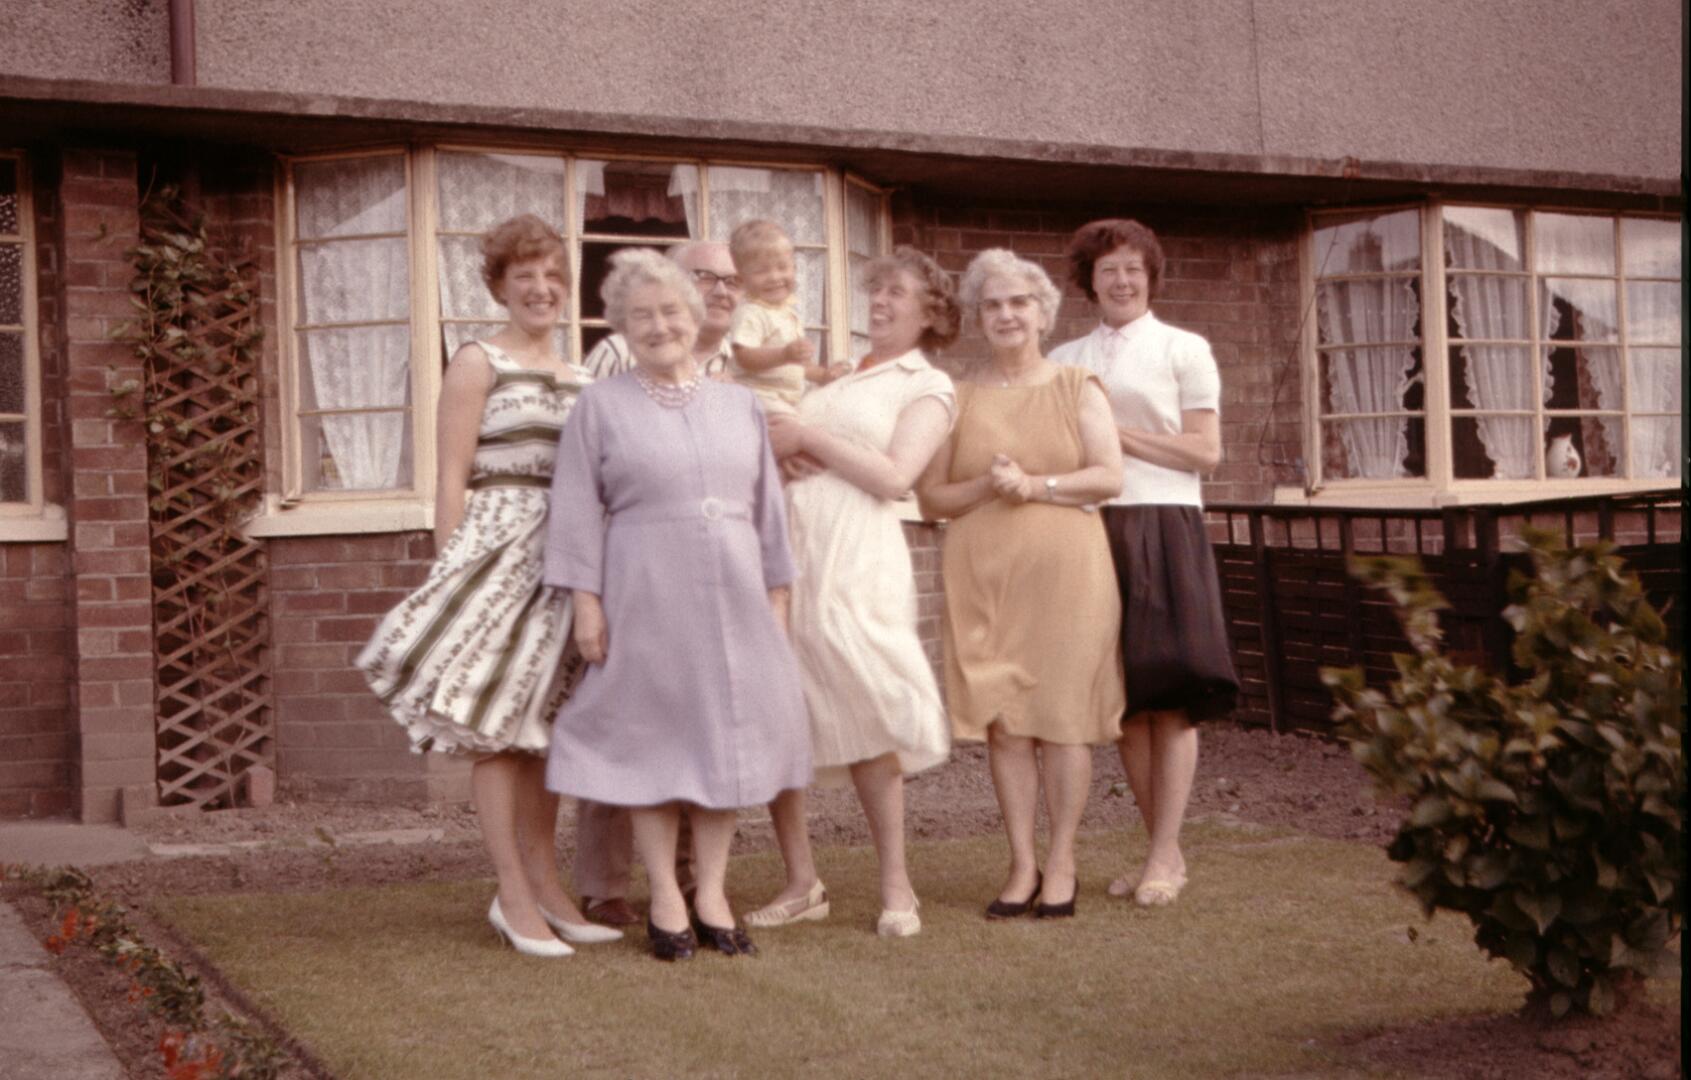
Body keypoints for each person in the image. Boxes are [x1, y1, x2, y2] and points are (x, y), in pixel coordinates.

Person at [358, 214, 620, 958]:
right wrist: (451, 574)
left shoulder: (586, 377)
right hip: (497, 555)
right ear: (500, 287)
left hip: (567, 559)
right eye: (524, 276)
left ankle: (547, 888)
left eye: (552, 275)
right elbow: (450, 478)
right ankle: (511, 893)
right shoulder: (478, 362)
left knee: (543, 730)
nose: (541, 288)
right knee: (496, 728)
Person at [543, 247, 811, 961]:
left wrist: (778, 597)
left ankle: (712, 894)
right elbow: (575, 509)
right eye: (642, 316)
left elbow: (768, 509)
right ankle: (665, 895)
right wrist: (586, 604)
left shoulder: (739, 403)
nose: (659, 326)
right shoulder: (600, 405)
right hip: (644, 588)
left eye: (670, 311)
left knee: (727, 737)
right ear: (622, 327)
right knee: (651, 739)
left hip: (738, 589)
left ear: (694, 318)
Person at [750, 247, 961, 938]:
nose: (880, 301)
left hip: (856, 555)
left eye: (897, 292)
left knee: (869, 703)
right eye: (877, 289)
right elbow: (787, 450)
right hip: (790, 551)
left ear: (930, 312)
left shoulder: (926, 384)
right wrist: (784, 455)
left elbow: (896, 476)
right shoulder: (840, 375)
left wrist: (806, 436)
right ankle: (800, 882)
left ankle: (896, 885)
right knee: (784, 712)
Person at [917, 248, 1125, 921]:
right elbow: (932, 498)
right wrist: (988, 484)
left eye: (1018, 303)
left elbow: (1108, 475)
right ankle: (1020, 863)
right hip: (983, 577)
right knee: (1005, 725)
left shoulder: (1077, 385)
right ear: (977, 317)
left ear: (1042, 313)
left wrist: (1035, 485)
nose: (1006, 315)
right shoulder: (958, 397)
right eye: (992, 305)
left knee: (1063, 721)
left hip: (1068, 575)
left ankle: (1061, 860)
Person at [1048, 218, 1240, 907]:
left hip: (1164, 521)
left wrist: (1114, 435)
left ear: (1150, 276)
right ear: (1089, 282)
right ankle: (1164, 851)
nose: (1122, 281)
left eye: (1132, 268)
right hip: (1090, 526)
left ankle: (1161, 854)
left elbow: (1204, 451)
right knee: (1126, 704)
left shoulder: (1184, 348)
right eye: (1108, 270)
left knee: (1173, 699)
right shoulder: (1065, 357)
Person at [570, 239, 743, 928]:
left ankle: (693, 882)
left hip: (709, 579)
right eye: (707, 276)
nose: (722, 289)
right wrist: (589, 595)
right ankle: (606, 882)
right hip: (634, 574)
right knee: (629, 728)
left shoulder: (731, 374)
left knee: (702, 725)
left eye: (729, 280)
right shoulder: (614, 363)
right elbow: (590, 484)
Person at [724, 219, 845, 416]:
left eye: (782, 267)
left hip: (783, 401)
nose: (774, 277)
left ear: (794, 268)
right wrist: (784, 354)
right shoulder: (751, 312)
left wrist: (824, 375)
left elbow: (799, 366)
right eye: (761, 271)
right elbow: (745, 357)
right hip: (757, 397)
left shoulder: (787, 314)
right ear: (742, 279)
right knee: (800, 429)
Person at [579, 239, 739, 383]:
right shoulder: (619, 353)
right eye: (705, 277)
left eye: (734, 281)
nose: (721, 292)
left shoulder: (745, 369)